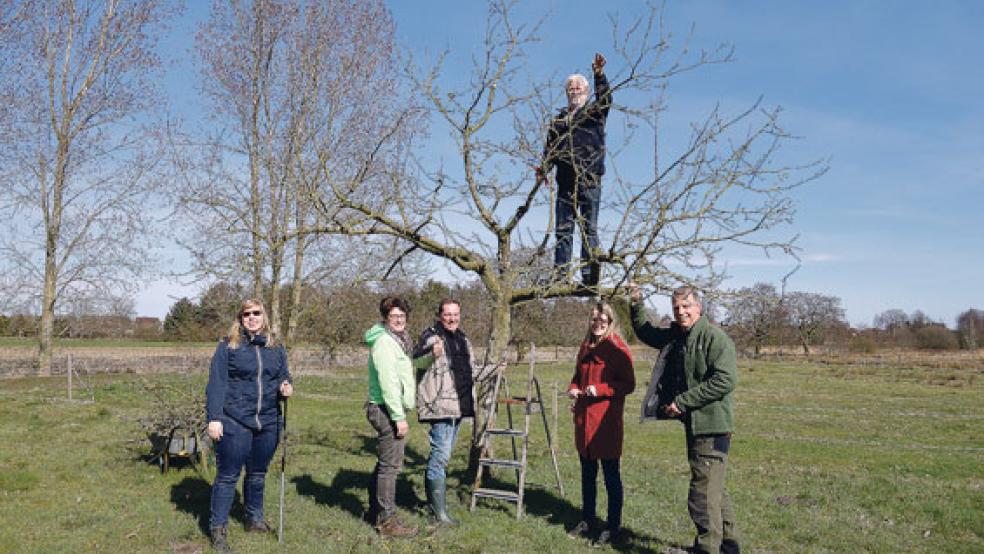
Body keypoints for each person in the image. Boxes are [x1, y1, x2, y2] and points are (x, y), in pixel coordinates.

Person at [629, 283, 740, 554]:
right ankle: (728, 547)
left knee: (702, 496)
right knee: (714, 490)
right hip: (697, 426)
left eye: (686, 306)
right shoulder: (678, 336)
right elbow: (646, 331)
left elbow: (725, 380)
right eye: (676, 308)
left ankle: (706, 548)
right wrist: (636, 302)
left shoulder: (715, 339)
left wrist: (682, 401)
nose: (681, 312)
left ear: (698, 308)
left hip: (712, 428)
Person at [205, 299, 293, 554]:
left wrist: (286, 385)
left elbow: (282, 375)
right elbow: (216, 383)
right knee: (228, 476)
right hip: (235, 420)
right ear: (240, 319)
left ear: (264, 316)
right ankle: (217, 529)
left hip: (268, 420)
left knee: (257, 474)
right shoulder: (228, 347)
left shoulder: (275, 347)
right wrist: (214, 418)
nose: (252, 318)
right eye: (247, 314)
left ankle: (253, 519)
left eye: (256, 313)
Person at [412, 298, 502, 526]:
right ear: (439, 315)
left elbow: (471, 372)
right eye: (447, 314)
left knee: (442, 458)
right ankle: (439, 514)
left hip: (459, 407)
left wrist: (494, 369)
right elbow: (417, 362)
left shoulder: (463, 340)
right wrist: (432, 353)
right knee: (440, 458)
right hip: (440, 407)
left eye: (455, 314)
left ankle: (434, 506)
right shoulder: (431, 336)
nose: (452, 318)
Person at [539, 52, 612, 287]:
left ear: (587, 92)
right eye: (571, 87)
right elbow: (550, 148)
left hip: (589, 178)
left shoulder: (594, 113)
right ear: (566, 92)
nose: (575, 89)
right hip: (566, 181)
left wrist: (599, 75)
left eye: (579, 86)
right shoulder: (558, 121)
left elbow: (606, 99)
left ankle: (590, 276)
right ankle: (561, 274)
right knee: (563, 229)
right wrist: (544, 169)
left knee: (588, 229)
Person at [567, 301, 635, 547]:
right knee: (587, 475)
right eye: (594, 320)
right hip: (584, 422)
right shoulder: (585, 346)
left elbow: (629, 384)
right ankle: (587, 520)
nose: (597, 325)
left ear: (610, 322)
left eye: (602, 321)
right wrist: (574, 389)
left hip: (605, 424)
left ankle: (613, 526)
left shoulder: (618, 348)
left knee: (610, 477)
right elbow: (577, 376)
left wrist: (602, 389)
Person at [364, 296, 433, 538]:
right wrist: (398, 416)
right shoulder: (384, 342)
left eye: (402, 316)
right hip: (385, 408)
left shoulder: (398, 341)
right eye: (394, 316)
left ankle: (375, 512)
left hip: (389, 408)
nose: (399, 320)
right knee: (390, 467)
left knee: (385, 462)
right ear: (385, 318)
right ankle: (387, 522)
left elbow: (409, 363)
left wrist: (431, 356)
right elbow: (389, 382)